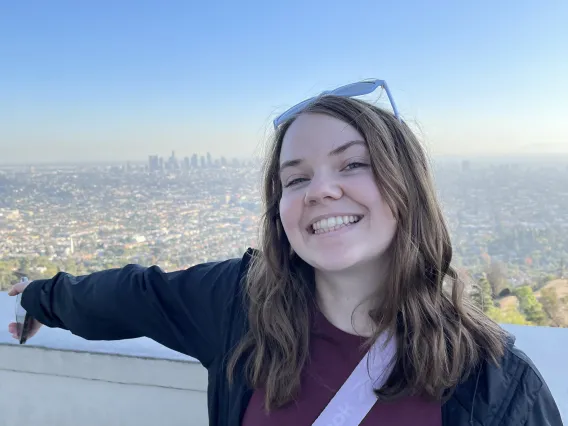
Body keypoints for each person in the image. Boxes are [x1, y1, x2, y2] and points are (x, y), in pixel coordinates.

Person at [8, 79, 563, 426]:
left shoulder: (496, 386)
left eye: (353, 164)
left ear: (408, 187)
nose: (321, 189)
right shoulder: (238, 304)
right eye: (295, 179)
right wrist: (40, 297)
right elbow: (132, 295)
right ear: (280, 209)